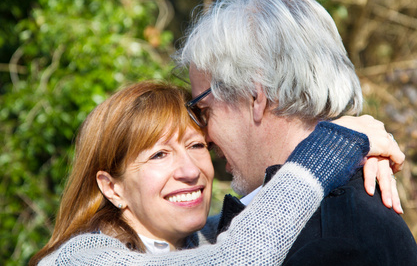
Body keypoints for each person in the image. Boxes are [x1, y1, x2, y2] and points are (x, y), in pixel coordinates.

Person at [176, 0, 417, 265]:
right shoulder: (340, 218)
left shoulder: (331, 243)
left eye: (203, 110)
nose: (204, 135)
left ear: (255, 97)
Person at [31, 81, 395, 265]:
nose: (190, 170)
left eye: (195, 146)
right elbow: (237, 259)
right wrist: (328, 150)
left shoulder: (204, 237)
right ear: (112, 188)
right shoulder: (80, 258)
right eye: (159, 155)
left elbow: (266, 220)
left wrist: (360, 156)